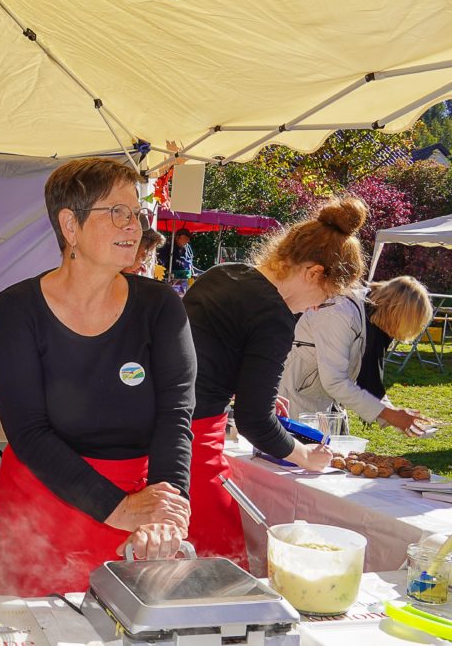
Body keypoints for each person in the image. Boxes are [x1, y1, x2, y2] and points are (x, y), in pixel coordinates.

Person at [0, 157, 196, 597]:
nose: (134, 225)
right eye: (116, 212)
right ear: (70, 225)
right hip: (45, 504)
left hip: (139, 505)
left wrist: (164, 511)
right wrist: (117, 508)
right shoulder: (18, 308)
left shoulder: (160, 306)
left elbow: (175, 416)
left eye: (135, 212)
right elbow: (28, 431)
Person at [182, 197, 368, 568]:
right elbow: (256, 422)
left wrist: (244, 392)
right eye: (325, 298)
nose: (315, 308)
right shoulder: (275, 317)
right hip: (193, 442)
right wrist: (305, 457)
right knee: (220, 565)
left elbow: (199, 359)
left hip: (152, 427)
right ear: (314, 273)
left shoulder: (223, 273)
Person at [279, 276, 435, 435]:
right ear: (395, 313)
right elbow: (335, 382)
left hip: (323, 400)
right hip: (294, 398)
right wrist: (391, 415)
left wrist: (395, 415)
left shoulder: (373, 317)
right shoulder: (339, 313)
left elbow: (368, 376)